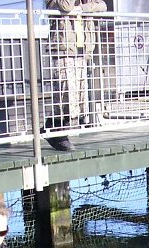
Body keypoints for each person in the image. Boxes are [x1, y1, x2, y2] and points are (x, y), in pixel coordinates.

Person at [44, 0, 107, 151]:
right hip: (64, 49)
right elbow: (66, 6)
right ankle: (55, 130)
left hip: (81, 50)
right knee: (66, 92)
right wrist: (78, 8)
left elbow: (102, 5)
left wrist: (83, 8)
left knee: (78, 95)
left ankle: (56, 129)